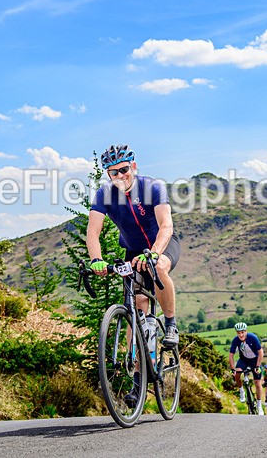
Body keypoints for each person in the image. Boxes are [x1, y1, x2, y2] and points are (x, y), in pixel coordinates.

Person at [87, 144, 181, 406]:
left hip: (162, 244)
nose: (119, 176)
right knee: (137, 309)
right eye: (113, 173)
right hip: (131, 251)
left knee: (159, 267)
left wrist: (153, 252)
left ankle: (171, 324)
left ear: (134, 167)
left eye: (124, 170)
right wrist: (96, 260)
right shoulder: (105, 194)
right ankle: (139, 377)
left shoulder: (152, 187)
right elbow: (93, 232)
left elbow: (166, 225)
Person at [229, 322, 265, 415]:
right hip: (244, 360)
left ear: (246, 331)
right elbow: (231, 355)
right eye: (238, 333)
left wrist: (257, 366)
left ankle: (259, 405)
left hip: (255, 360)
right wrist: (233, 368)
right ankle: (241, 391)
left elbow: (260, 352)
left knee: (257, 382)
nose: (241, 335)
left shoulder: (253, 337)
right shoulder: (236, 340)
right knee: (237, 373)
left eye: (242, 332)